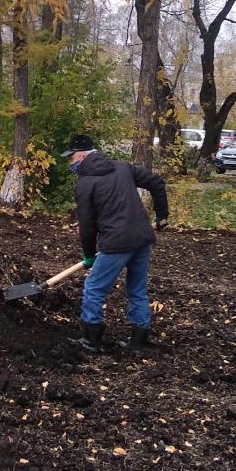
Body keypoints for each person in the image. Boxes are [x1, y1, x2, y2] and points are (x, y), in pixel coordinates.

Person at [63, 133, 168, 354]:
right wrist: (162, 215)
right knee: (137, 290)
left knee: (93, 288)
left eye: (70, 158)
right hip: (142, 237)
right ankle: (138, 343)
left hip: (117, 242)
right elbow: (156, 183)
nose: (69, 163)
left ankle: (91, 339)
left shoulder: (85, 184)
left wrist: (89, 255)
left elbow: (87, 227)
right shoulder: (122, 167)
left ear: (81, 156)